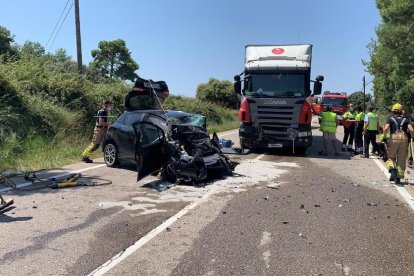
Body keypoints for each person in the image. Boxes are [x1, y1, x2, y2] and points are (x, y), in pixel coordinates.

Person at [383, 103, 414, 184]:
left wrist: (384, 137)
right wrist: (413, 137)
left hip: (394, 138)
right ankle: (398, 178)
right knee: (401, 159)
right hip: (404, 139)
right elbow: (411, 130)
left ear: (393, 111)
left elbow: (386, 128)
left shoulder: (391, 119)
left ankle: (392, 169)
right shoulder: (406, 120)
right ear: (401, 111)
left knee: (391, 157)